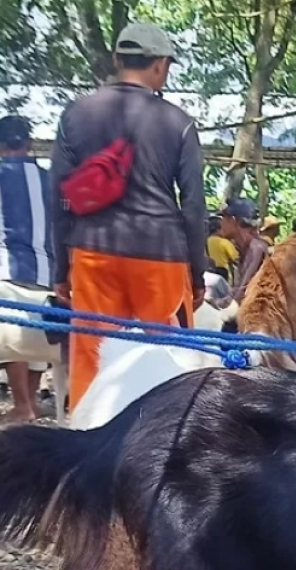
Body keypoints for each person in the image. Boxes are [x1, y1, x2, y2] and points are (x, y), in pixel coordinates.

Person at [50, 21, 205, 411]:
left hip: (92, 251)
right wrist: (198, 275)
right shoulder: (177, 121)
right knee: (171, 360)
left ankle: (86, 446)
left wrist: (60, 272)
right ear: (159, 66)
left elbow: (60, 197)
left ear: (119, 59)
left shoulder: (75, 114)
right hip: (161, 256)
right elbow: (193, 206)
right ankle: (164, 444)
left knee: (92, 356)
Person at [0, 115, 56, 423]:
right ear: (29, 144)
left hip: (6, 264)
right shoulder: (48, 179)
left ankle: (22, 404)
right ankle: (30, 402)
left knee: (10, 333)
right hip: (45, 269)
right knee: (37, 331)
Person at [222, 198, 271, 303]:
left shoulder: (256, 249)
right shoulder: (246, 248)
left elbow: (243, 292)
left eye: (224, 218)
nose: (221, 223)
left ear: (233, 220)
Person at [207, 213, 239, 278]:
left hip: (210, 272)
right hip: (224, 274)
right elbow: (236, 259)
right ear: (218, 229)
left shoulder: (207, 241)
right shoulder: (224, 242)